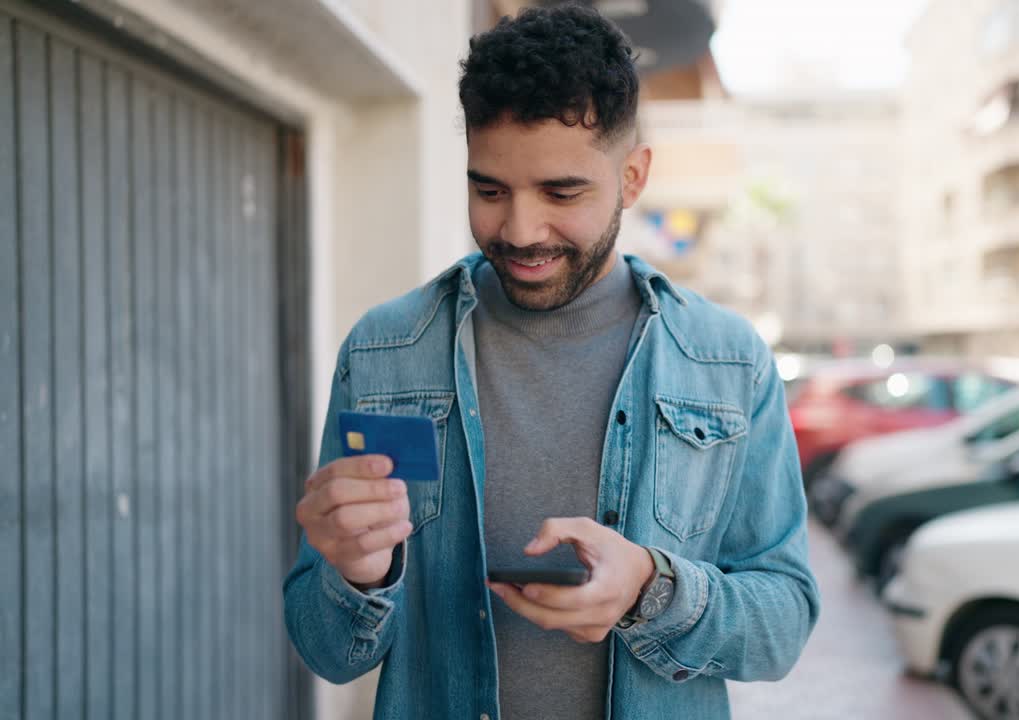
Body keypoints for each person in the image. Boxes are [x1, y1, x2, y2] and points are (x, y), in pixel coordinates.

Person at [283, 5, 819, 719]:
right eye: (489, 190)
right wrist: (356, 574)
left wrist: (649, 589)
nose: (519, 229)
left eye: (562, 193)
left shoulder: (728, 362)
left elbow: (782, 625)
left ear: (633, 177)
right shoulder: (385, 350)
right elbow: (326, 651)